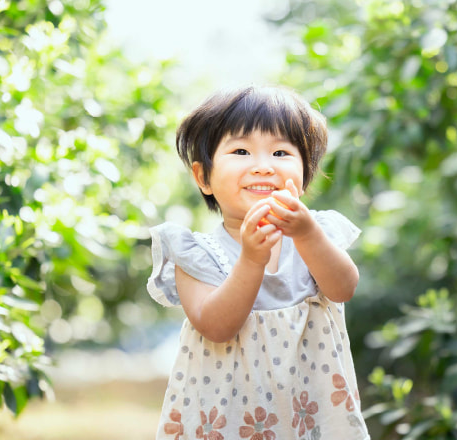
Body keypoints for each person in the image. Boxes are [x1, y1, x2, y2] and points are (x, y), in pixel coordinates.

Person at [147, 85, 370, 440]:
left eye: (281, 152)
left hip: (310, 415)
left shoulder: (316, 236)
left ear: (305, 172)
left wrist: (308, 233)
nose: (263, 167)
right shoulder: (194, 254)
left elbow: (343, 288)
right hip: (230, 418)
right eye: (241, 151)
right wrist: (252, 260)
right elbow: (216, 327)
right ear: (203, 177)